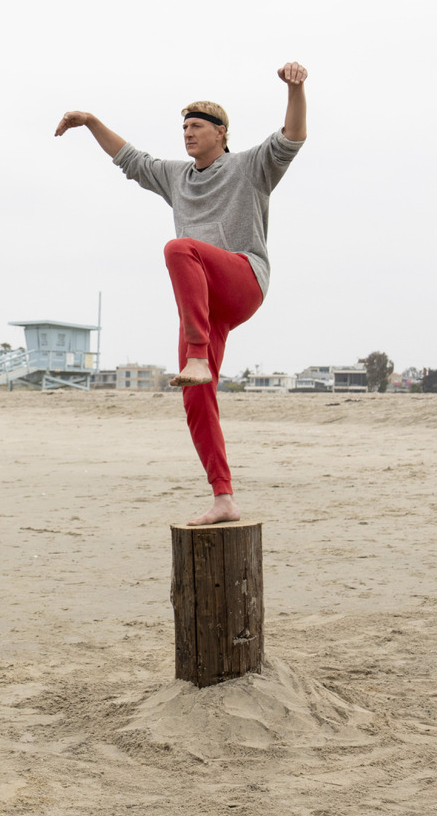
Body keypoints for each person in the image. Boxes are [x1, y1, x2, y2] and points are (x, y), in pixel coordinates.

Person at [55, 63, 309, 526]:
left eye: (196, 127)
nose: (188, 134)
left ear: (221, 133)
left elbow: (293, 136)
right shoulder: (178, 177)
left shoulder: (249, 166)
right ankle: (223, 497)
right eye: (184, 127)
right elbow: (131, 159)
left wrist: (296, 88)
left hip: (243, 279)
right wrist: (91, 122)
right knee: (196, 397)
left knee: (179, 248)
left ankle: (196, 357)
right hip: (204, 307)